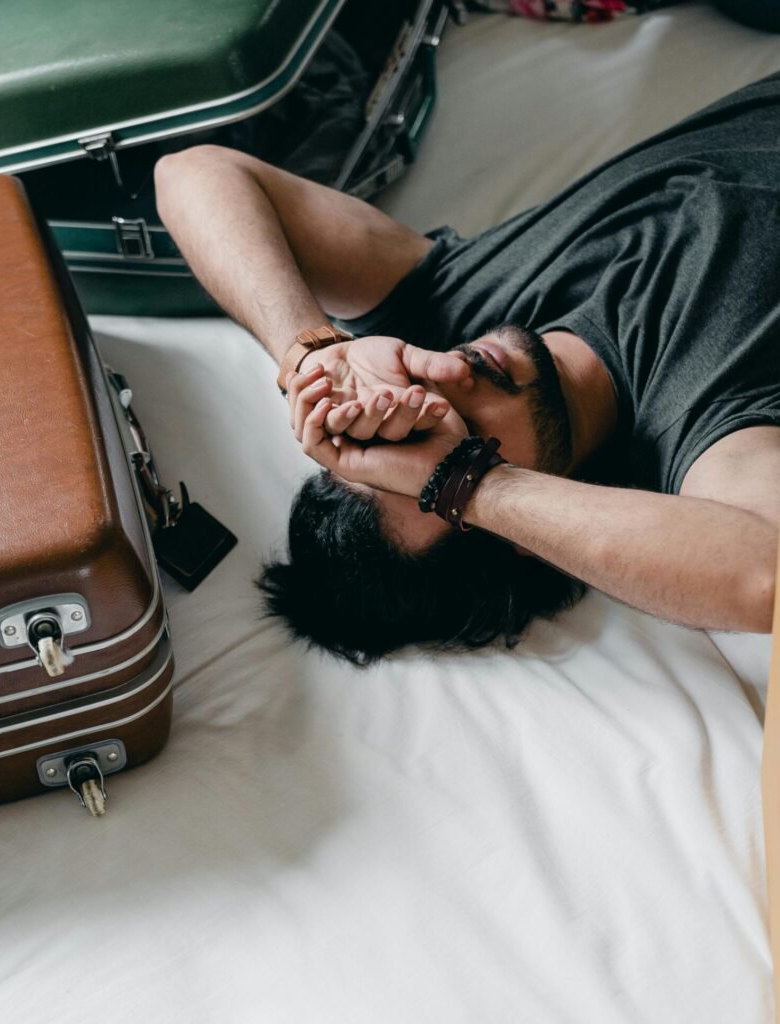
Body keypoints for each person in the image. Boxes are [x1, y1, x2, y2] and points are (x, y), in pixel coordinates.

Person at [154, 72, 780, 664]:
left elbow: (193, 171)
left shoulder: (456, 304)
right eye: (442, 442)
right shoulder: (701, 423)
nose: (439, 386)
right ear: (523, 536)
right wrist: (470, 483)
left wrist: (311, 353)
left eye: (394, 424)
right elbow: (766, 573)